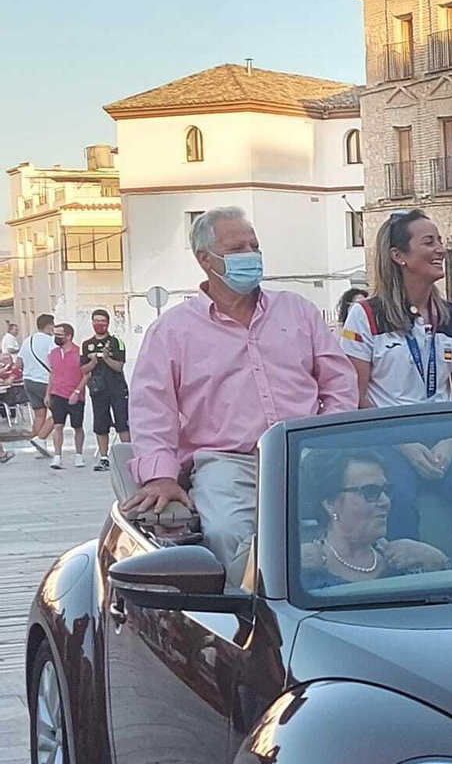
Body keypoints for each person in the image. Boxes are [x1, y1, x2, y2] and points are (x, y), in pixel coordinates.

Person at [128, 206, 358, 586]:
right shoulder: (172, 330)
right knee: (226, 532)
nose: (251, 255)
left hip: (309, 454)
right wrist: (160, 476)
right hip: (228, 462)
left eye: (255, 246)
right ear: (205, 260)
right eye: (238, 248)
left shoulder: (297, 311)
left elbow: (339, 381)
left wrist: (327, 437)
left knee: (366, 521)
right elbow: (152, 408)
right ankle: (247, 626)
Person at [340, 209, 452, 546]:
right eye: (429, 242)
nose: (440, 250)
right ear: (399, 256)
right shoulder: (366, 315)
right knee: (396, 505)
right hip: (387, 435)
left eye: (440, 241)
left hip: (446, 432)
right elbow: (354, 395)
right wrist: (404, 445)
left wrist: (448, 444)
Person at [299, 451, 451, 588]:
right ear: (330, 503)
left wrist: (439, 562)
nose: (385, 501)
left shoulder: (411, 561)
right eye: (371, 492)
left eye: (386, 490)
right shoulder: (301, 568)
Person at [79, 308, 129, 470]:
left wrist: (106, 358)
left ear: (108, 323)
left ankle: (127, 455)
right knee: (101, 424)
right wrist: (93, 362)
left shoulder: (116, 342)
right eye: (96, 321)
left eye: (103, 321)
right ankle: (104, 457)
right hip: (98, 390)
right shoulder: (87, 345)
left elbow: (119, 366)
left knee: (123, 423)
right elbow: (83, 369)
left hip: (117, 389)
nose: (99, 324)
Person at [44, 322, 86, 470]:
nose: (56, 337)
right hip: (58, 393)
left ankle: (79, 454)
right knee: (58, 425)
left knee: (77, 426)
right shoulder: (53, 354)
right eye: (55, 334)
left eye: (59, 335)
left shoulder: (79, 353)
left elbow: (87, 374)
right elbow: (52, 374)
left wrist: (77, 391)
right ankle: (57, 456)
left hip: (75, 394)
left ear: (68, 336)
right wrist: (48, 393)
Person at [21, 313, 55, 456]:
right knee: (58, 412)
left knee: (39, 414)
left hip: (29, 381)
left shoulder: (28, 340)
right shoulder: (50, 341)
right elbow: (54, 361)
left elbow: (19, 363)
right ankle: (41, 439)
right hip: (45, 381)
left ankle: (38, 448)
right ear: (48, 326)